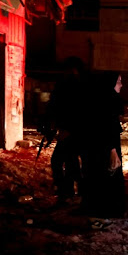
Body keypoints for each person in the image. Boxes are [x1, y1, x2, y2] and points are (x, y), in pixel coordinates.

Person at [80, 72, 126, 220]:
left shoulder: (106, 100)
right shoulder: (105, 103)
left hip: (104, 147)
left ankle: (100, 210)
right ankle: (101, 213)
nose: (121, 85)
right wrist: (112, 150)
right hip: (104, 149)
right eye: (118, 81)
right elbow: (105, 128)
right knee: (103, 178)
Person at [48, 57, 86, 200]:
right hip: (72, 131)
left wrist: (66, 129)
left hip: (72, 131)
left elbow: (72, 110)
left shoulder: (71, 85)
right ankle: (71, 190)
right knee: (70, 162)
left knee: (61, 161)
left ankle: (67, 190)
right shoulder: (75, 84)